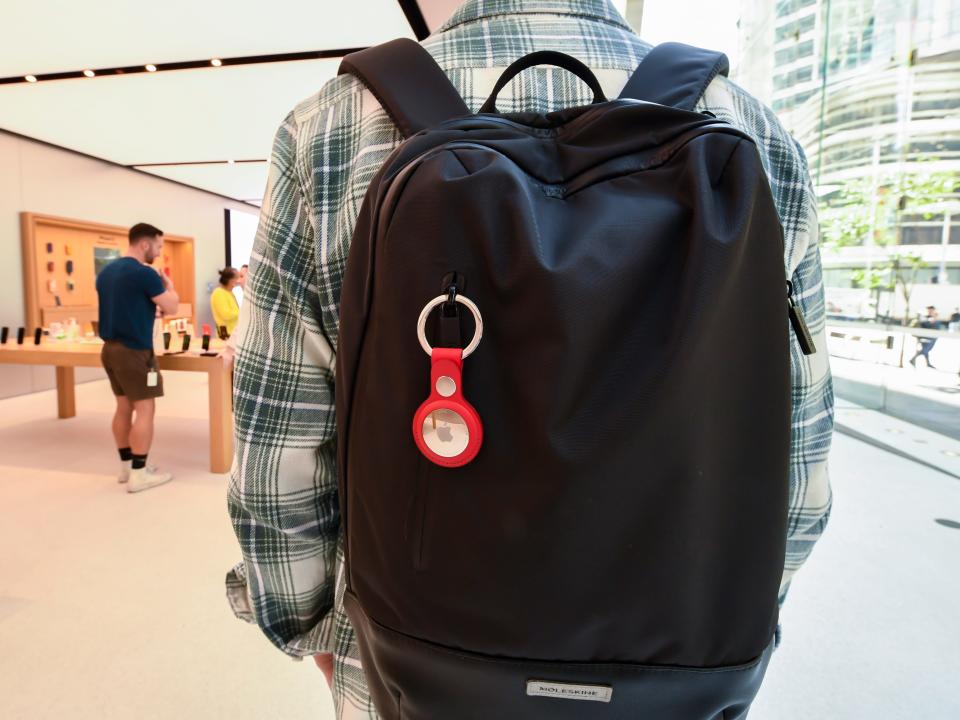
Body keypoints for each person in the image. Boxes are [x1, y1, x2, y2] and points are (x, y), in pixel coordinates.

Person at [225, 2, 834, 717]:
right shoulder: (746, 126)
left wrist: (323, 641)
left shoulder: (329, 128)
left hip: (412, 669)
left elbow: (278, 458)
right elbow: (800, 471)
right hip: (674, 677)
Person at [96, 222, 179, 493]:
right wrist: (169, 285)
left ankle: (126, 467)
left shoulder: (107, 272)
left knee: (123, 407)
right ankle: (139, 474)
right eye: (158, 245)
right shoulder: (145, 274)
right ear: (145, 244)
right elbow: (172, 306)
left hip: (110, 350)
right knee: (145, 410)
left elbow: (127, 306)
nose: (159, 251)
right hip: (135, 351)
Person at [210, 267, 241, 337]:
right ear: (231, 281)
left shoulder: (230, 292)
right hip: (226, 335)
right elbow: (226, 314)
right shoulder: (218, 293)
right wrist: (242, 313)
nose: (239, 281)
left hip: (233, 334)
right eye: (238, 278)